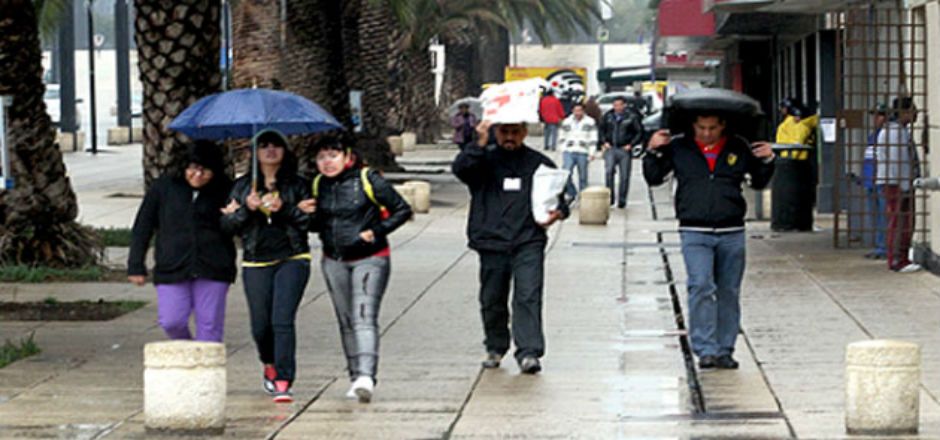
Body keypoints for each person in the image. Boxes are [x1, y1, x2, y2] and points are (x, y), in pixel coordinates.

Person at [644, 113, 775, 369]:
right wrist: (653, 151)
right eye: (701, 128)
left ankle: (725, 349)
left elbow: (759, 181)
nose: (706, 133)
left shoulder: (737, 146)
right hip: (694, 229)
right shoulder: (680, 147)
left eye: (712, 128)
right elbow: (654, 178)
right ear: (693, 125)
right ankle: (705, 348)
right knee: (700, 285)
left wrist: (768, 159)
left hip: (731, 229)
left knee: (728, 290)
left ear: (722, 126)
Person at [296, 135, 412, 403]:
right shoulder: (318, 185)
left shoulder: (368, 179)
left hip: (370, 258)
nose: (328, 162)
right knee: (346, 320)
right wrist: (304, 212)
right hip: (333, 259)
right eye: (322, 157)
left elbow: (402, 210)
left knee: (363, 315)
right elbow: (317, 224)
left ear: (347, 157)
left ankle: (366, 376)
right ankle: (355, 376)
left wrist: (376, 231)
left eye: (333, 155)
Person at [452, 120, 569, 374]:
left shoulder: (539, 163)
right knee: (492, 298)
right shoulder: (483, 161)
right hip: (491, 241)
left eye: (515, 132)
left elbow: (562, 194)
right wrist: (479, 142)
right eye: (504, 132)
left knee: (528, 295)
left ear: (524, 133)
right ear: (496, 132)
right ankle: (495, 345)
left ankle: (529, 351)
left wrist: (557, 213)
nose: (510, 137)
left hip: (528, 241)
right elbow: (461, 170)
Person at [220, 129, 312, 403]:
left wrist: (284, 208)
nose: (270, 150)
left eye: (276, 145)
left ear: (285, 151)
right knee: (261, 325)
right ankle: (268, 363)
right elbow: (226, 226)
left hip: (293, 258)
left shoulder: (297, 185)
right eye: (264, 146)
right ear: (255, 153)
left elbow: (310, 223)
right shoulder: (242, 187)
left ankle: (284, 379)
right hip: (255, 260)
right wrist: (247, 209)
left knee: (282, 320)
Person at [128, 141, 236, 343]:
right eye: (193, 168)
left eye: (205, 170)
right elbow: (143, 226)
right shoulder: (163, 188)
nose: (198, 175)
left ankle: (205, 368)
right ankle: (187, 351)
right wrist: (136, 264)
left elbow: (237, 228)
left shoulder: (226, 191)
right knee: (171, 321)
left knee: (210, 325)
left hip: (213, 266)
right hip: (172, 266)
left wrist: (234, 216)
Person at [876, 97, 922, 273]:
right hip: (897, 182)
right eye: (912, 110)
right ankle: (897, 259)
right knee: (900, 221)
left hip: (895, 181)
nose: (916, 113)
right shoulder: (895, 133)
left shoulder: (894, 131)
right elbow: (898, 162)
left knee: (900, 221)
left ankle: (899, 257)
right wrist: (905, 186)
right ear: (904, 112)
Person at [599, 96, 644, 208]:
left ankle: (622, 200)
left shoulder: (631, 117)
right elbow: (601, 130)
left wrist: (631, 144)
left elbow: (639, 132)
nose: (617, 107)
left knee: (624, 176)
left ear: (624, 105)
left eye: (619, 105)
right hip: (611, 148)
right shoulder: (608, 116)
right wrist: (604, 142)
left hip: (624, 149)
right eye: (615, 105)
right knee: (609, 172)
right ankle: (610, 198)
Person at [862, 104, 888, 259]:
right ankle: (880, 246)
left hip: (881, 180)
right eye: (875, 116)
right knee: (876, 216)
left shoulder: (888, 135)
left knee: (884, 215)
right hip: (870, 180)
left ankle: (884, 247)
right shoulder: (873, 136)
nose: (876, 119)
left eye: (879, 115)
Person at [558, 102, 597, 201]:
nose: (577, 113)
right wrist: (563, 147)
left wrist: (592, 152)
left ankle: (583, 195)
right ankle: (572, 192)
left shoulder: (590, 122)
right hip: (569, 150)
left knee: (583, 175)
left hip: (583, 150)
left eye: (579, 111)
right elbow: (561, 135)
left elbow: (593, 137)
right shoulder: (567, 121)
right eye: (575, 111)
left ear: (583, 111)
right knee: (566, 173)